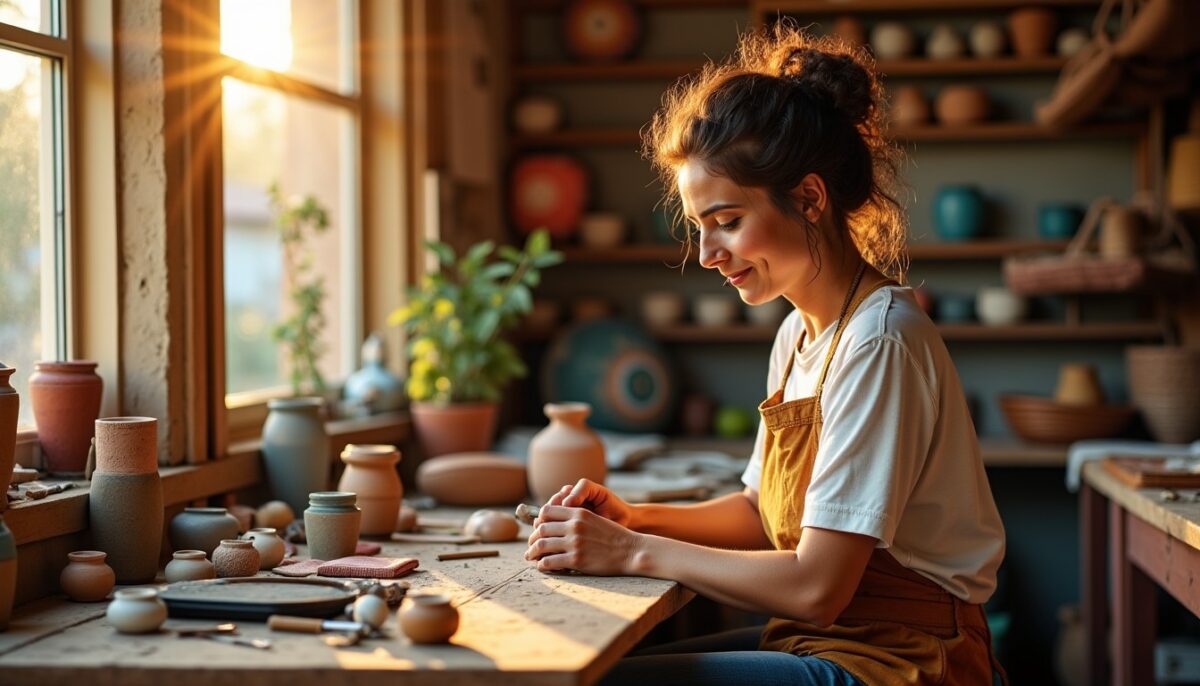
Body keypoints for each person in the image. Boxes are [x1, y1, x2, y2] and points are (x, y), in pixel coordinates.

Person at [523, 24, 1007, 686]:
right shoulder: (799, 334)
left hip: (902, 660)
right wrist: (636, 518)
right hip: (826, 639)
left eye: (726, 221)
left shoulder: (882, 340)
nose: (707, 254)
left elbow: (817, 586)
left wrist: (634, 551)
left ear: (809, 198)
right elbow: (758, 513)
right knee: (590, 670)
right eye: (699, 228)